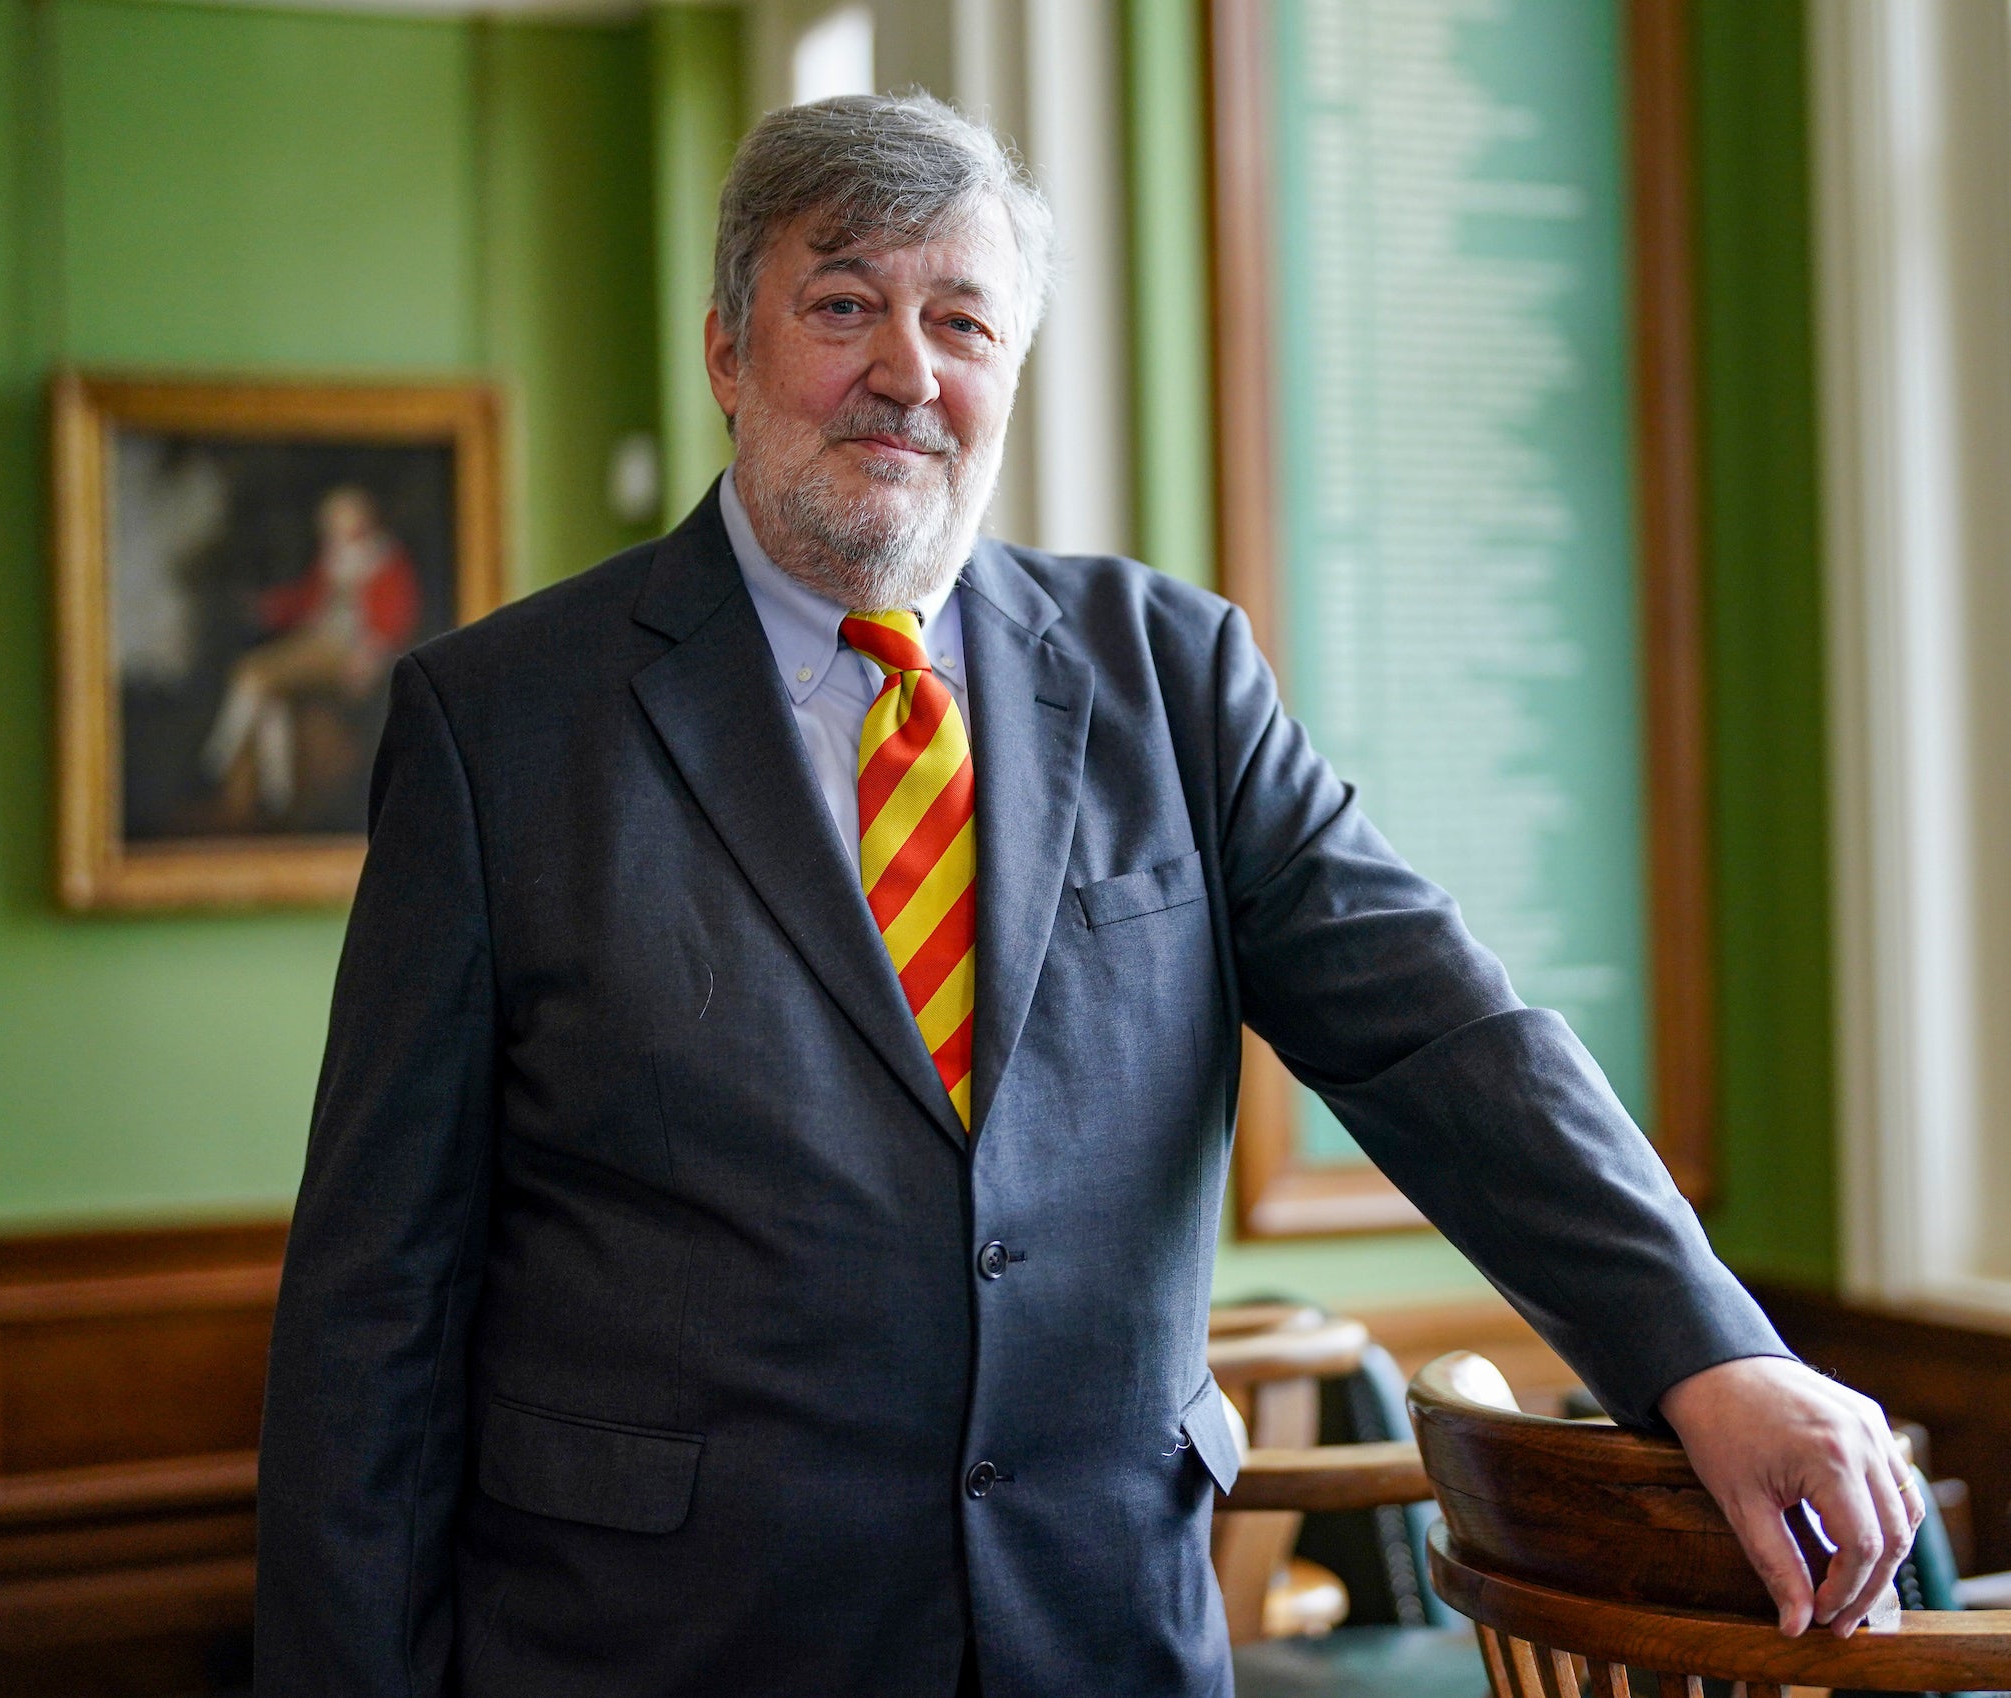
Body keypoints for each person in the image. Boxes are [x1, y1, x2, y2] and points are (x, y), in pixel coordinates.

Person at [254, 93, 1920, 1698]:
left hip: (1099, 1618)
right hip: (665, 1636)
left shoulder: (1171, 671)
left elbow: (1438, 1033)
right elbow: (374, 1305)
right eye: (845, 303)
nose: (907, 370)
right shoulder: (501, 723)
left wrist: (1715, 1346)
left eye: (964, 324)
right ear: (727, 348)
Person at [202, 484, 422, 819]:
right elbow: (307, 601)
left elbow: (396, 618)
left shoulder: (384, 559)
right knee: (270, 694)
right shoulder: (334, 558)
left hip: (346, 653)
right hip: (320, 641)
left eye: (339, 521)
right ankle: (277, 789)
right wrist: (267, 608)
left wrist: (369, 658)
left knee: (254, 672)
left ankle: (217, 757)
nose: (332, 529)